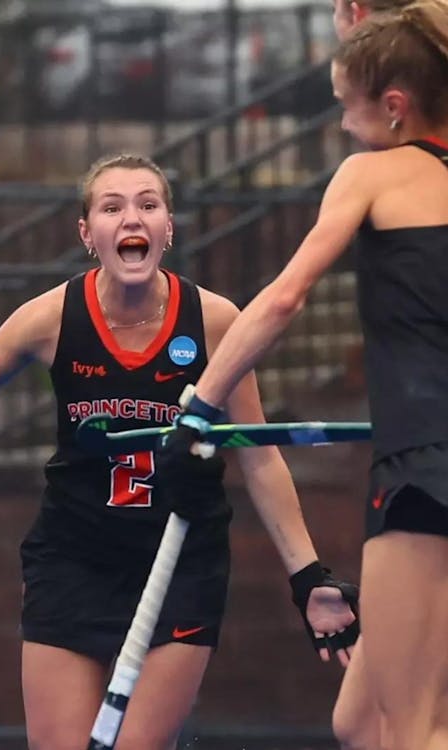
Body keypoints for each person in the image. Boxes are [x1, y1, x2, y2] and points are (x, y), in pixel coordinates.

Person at [0, 153, 358, 750]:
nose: (130, 217)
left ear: (168, 227)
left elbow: (258, 454)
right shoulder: (52, 317)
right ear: (88, 234)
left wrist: (308, 576)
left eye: (148, 204)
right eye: (111, 207)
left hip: (177, 564)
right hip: (73, 559)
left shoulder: (215, 322)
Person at [156, 6, 448, 750]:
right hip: (424, 460)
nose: (342, 127)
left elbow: (284, 298)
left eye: (346, 109)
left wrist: (200, 403)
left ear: (393, 108)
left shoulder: (373, 173)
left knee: (409, 726)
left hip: (425, 468)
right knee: (359, 720)